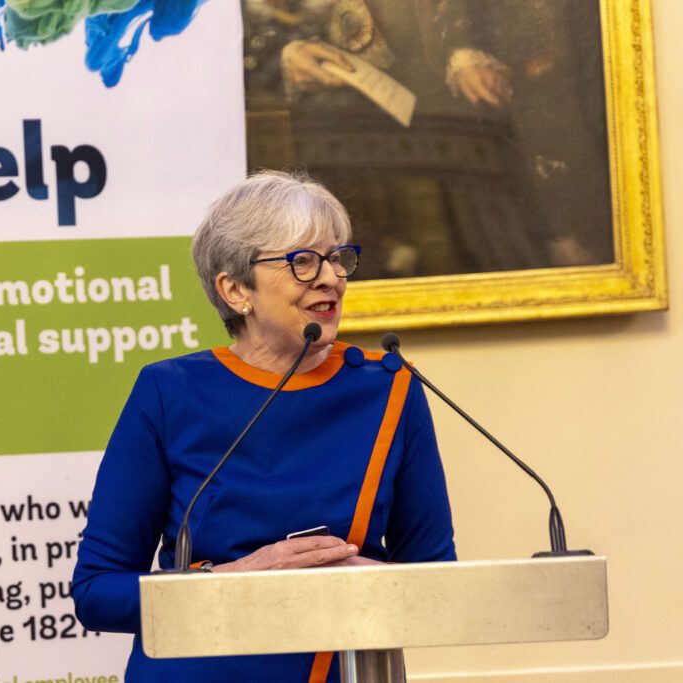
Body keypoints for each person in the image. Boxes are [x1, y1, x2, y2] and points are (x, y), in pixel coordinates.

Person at [71, 171, 456, 681]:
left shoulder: (388, 389)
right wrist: (239, 579)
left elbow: (441, 587)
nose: (330, 278)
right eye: (302, 262)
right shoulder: (169, 393)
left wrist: (371, 585)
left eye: (337, 258)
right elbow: (97, 592)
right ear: (235, 291)